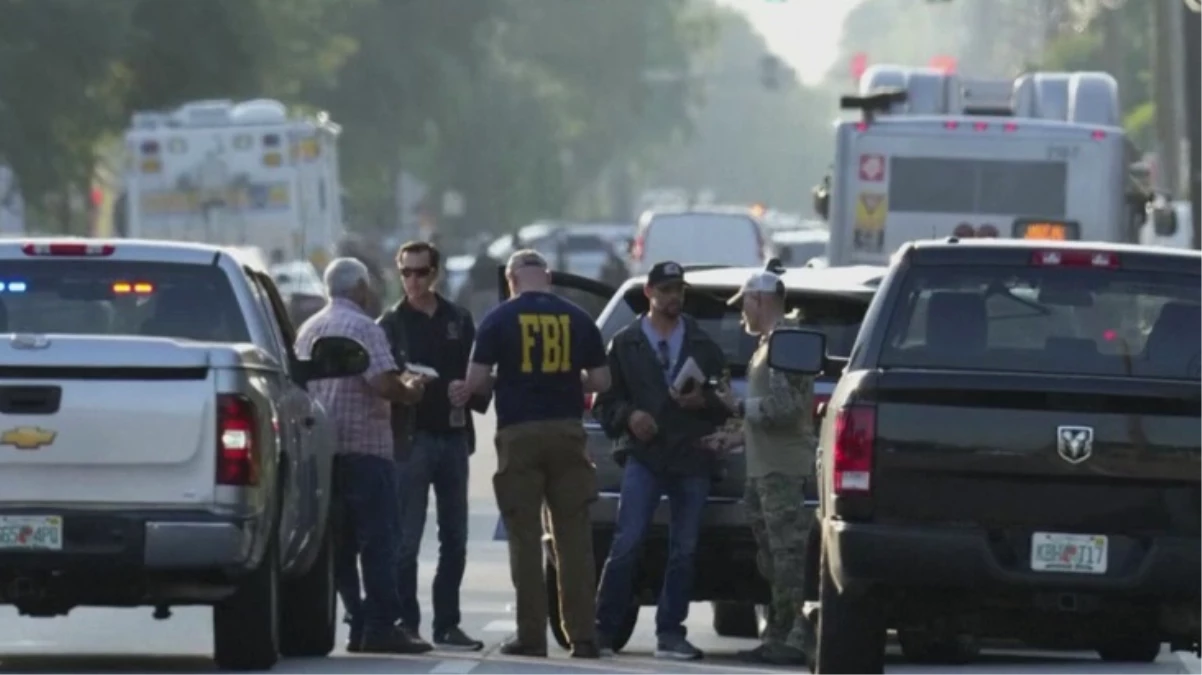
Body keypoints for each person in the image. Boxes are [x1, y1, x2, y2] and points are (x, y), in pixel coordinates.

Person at [464, 249, 610, 659]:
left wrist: (509, 377)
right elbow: (601, 379)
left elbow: (474, 380)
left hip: (519, 434)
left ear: (511, 280)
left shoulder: (498, 319)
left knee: (525, 537)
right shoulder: (578, 318)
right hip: (567, 433)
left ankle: (531, 636)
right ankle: (583, 636)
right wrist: (564, 379)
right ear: (547, 277)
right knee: (574, 538)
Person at [592, 260, 731, 661]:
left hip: (691, 457)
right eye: (666, 290)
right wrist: (629, 418)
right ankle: (603, 628)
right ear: (649, 293)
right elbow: (604, 401)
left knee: (684, 549)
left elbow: (725, 404)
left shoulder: (702, 344)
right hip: (645, 456)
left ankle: (670, 632)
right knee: (627, 541)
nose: (673, 297)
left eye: (679, 290)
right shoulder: (625, 342)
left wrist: (702, 400)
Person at [293, 257, 433, 655]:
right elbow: (384, 384)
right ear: (359, 289)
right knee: (380, 541)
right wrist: (413, 389)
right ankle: (382, 625)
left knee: (340, 543)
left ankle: (357, 619)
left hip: (324, 451)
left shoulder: (308, 329)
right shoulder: (364, 328)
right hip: (367, 451)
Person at [377, 240, 490, 651]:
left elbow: (482, 376)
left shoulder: (458, 318)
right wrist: (404, 387)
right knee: (406, 539)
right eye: (406, 272)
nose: (413, 281)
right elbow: (378, 382)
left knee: (455, 537)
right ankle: (406, 622)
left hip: (453, 436)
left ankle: (447, 623)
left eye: (421, 272)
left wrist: (471, 390)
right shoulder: (390, 323)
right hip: (410, 439)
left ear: (436, 273)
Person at [706, 265, 816, 666]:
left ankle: (794, 637)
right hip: (765, 469)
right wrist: (733, 436)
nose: (742, 315)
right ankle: (779, 632)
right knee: (772, 557)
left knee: (788, 558)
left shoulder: (786, 344)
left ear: (759, 299)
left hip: (783, 470)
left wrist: (737, 407)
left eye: (745, 305)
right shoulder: (770, 344)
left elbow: (785, 409)